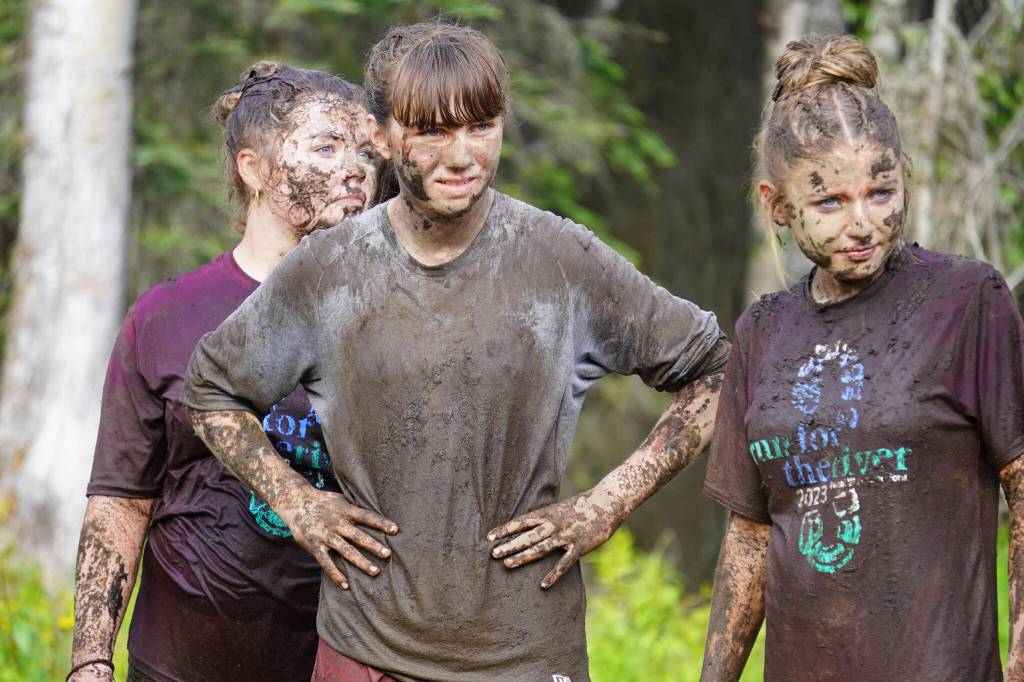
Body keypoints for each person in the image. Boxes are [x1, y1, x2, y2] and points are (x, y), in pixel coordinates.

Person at [183, 20, 730, 682]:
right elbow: (212, 393)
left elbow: (716, 372)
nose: (463, 153)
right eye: (433, 131)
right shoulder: (331, 269)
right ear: (382, 137)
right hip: (367, 653)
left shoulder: (560, 259)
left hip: (525, 656)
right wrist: (297, 502)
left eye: (481, 125)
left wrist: (606, 503)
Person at [700, 33, 1024, 682]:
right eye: (829, 202)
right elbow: (750, 538)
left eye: (880, 191)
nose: (863, 223)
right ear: (779, 207)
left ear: (902, 175)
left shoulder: (965, 301)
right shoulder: (763, 332)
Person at [68, 62, 386, 682]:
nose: (355, 169)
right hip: (176, 664)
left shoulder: (391, 322)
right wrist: (90, 660)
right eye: (326, 146)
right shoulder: (167, 316)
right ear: (255, 169)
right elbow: (120, 503)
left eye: (367, 154)